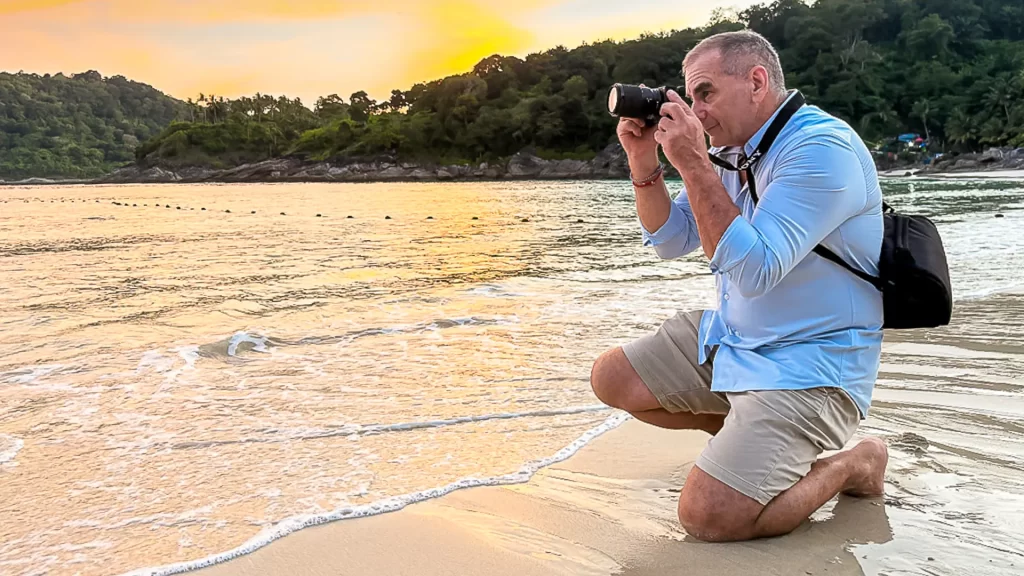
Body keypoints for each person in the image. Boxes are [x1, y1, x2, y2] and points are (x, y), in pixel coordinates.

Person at [590, 30, 889, 543]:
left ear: (756, 81)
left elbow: (754, 271)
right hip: (736, 340)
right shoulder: (736, 153)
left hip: (810, 366)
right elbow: (670, 238)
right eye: (690, 96)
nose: (697, 110)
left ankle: (857, 463)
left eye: (705, 93)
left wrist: (692, 161)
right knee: (612, 378)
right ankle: (745, 446)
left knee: (711, 517)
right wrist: (645, 164)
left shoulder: (820, 150)